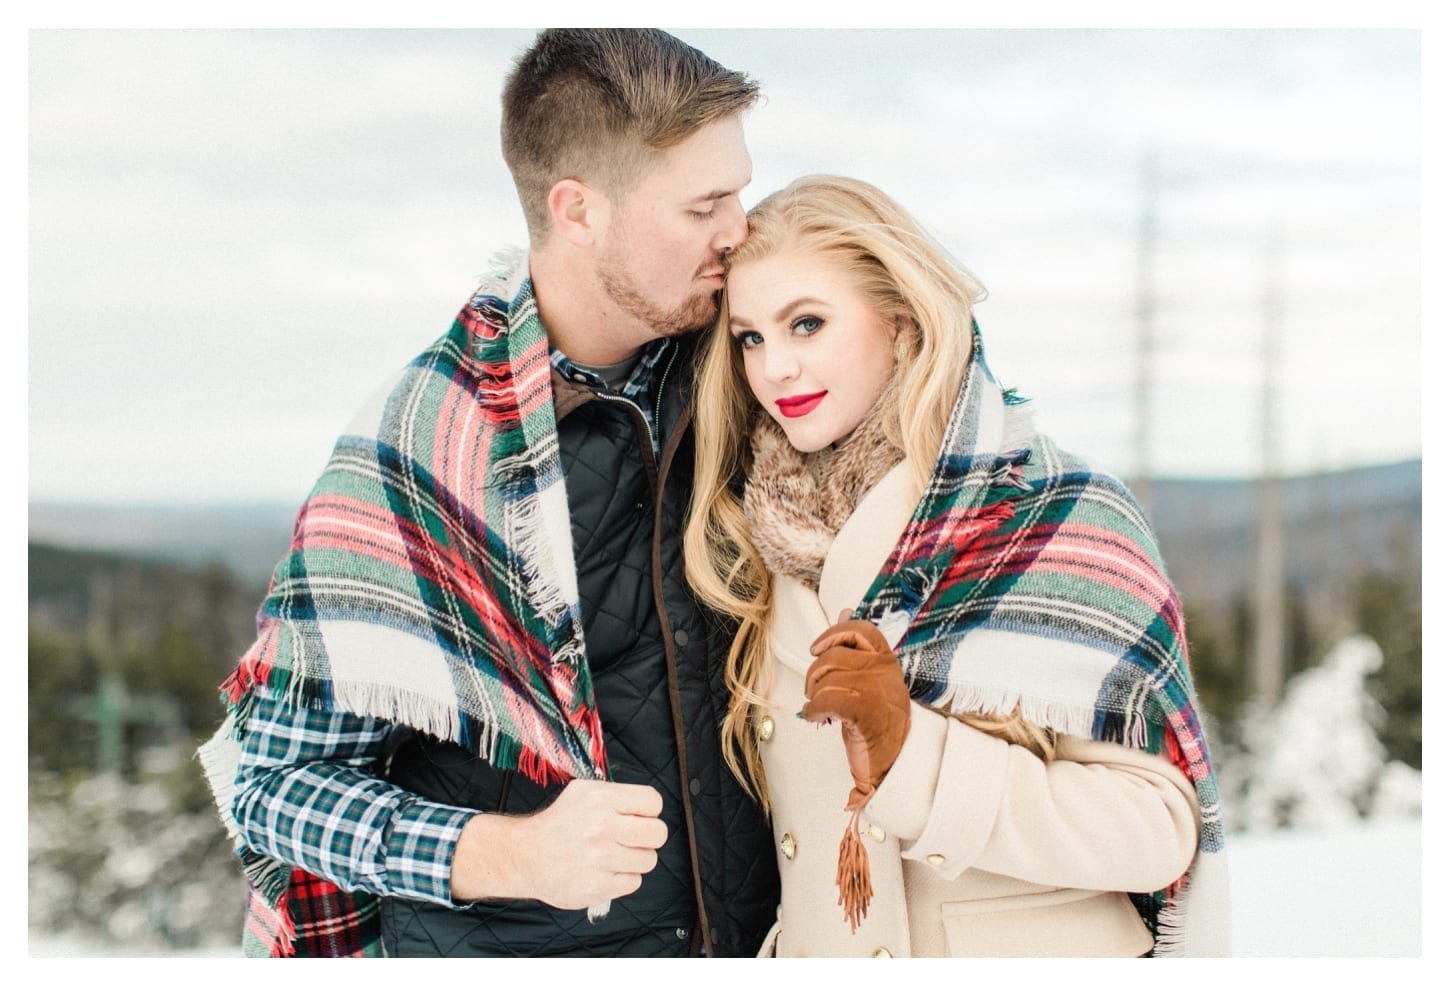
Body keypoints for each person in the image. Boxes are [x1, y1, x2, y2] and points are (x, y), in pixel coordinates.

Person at [197, 28, 779, 958]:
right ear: (578, 210)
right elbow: (268, 786)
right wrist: (510, 853)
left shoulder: (761, 374)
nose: (739, 228)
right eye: (705, 203)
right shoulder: (423, 443)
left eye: (741, 191)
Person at [682, 175, 1231, 958]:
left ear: (900, 322)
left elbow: (1158, 831)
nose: (774, 369)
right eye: (751, 338)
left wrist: (914, 756)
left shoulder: (1052, 513)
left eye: (807, 323)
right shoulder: (760, 542)